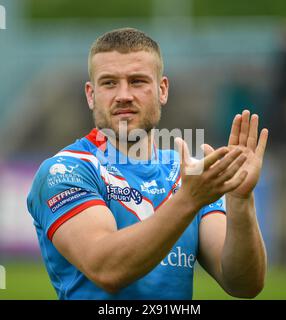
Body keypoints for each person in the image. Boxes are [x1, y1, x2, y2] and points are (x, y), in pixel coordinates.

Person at [27, 28, 268, 300]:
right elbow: (107, 269)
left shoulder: (185, 173)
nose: (123, 95)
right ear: (90, 94)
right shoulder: (65, 170)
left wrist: (240, 199)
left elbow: (244, 284)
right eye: (108, 83)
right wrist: (188, 200)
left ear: (162, 89)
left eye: (137, 81)